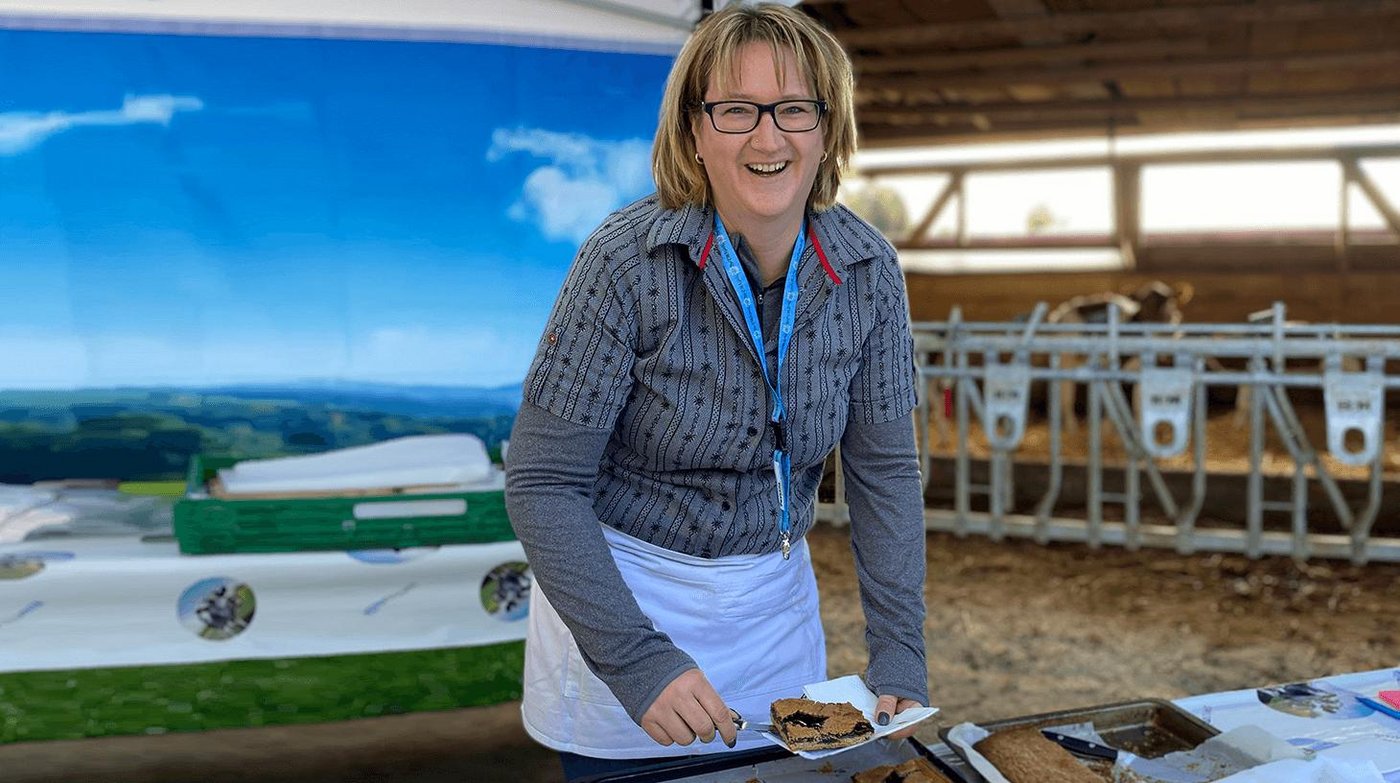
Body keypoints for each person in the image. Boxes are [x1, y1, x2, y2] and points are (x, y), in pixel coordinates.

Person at [504, 4, 928, 780]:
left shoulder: (869, 270)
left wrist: (900, 651)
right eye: (736, 110)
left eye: (794, 109)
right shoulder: (625, 260)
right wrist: (636, 659)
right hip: (626, 607)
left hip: (774, 617)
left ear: (827, 129)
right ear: (694, 132)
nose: (768, 139)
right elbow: (542, 480)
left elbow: (886, 474)